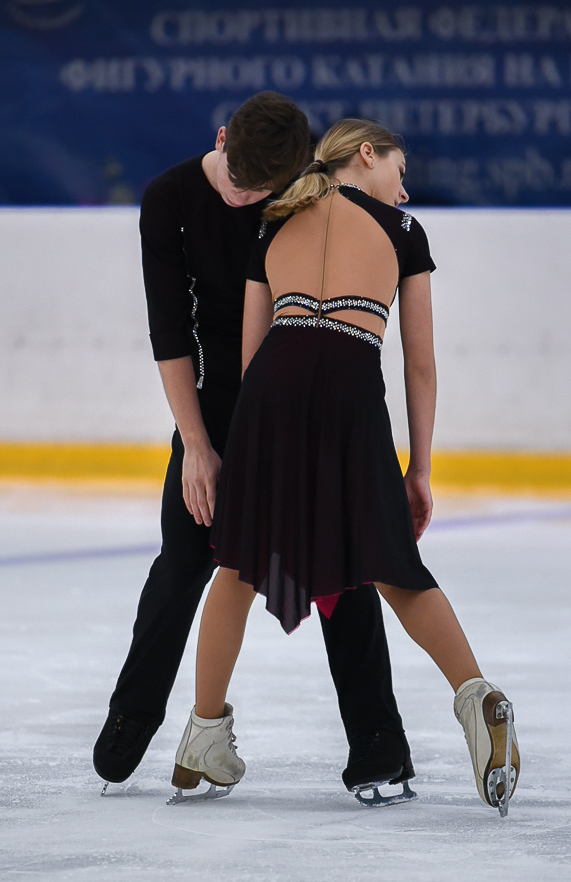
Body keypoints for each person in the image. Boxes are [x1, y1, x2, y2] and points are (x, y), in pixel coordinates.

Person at [170, 118, 521, 814]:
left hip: (273, 384)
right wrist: (418, 468)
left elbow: (249, 353)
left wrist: (259, 445)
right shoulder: (403, 230)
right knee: (391, 566)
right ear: (367, 153)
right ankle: (475, 697)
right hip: (350, 383)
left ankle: (202, 736)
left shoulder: (271, 223)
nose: (404, 183)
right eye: (399, 166)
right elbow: (418, 365)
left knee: (240, 566)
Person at [93, 93, 417, 799]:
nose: (245, 197)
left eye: (260, 191)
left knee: (339, 569)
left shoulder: (305, 190)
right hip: (212, 403)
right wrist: (198, 447)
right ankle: (135, 714)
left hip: (297, 404)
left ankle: (377, 747)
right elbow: (169, 332)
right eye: (238, 181)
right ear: (219, 139)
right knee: (185, 557)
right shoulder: (170, 198)